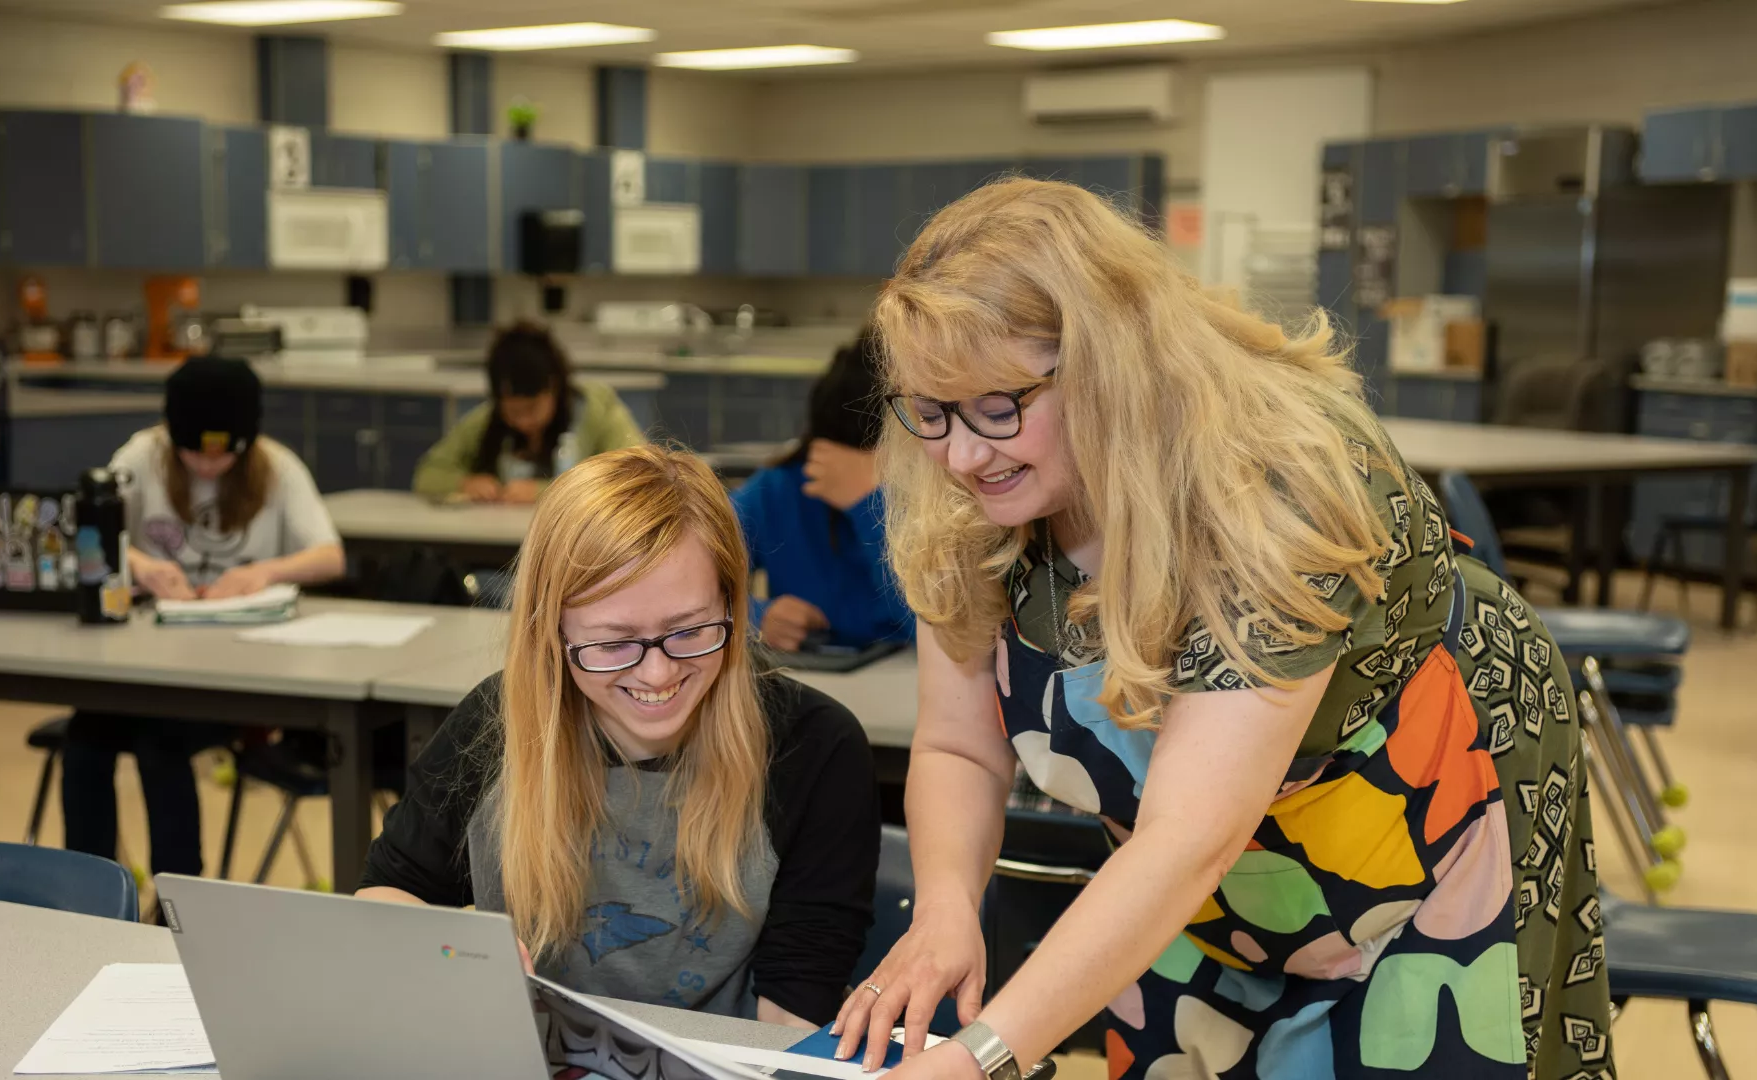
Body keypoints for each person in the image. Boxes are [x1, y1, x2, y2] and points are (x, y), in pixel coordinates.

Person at [834, 178, 1610, 1079]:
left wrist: (983, 1057)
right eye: (930, 414)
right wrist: (943, 911)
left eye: (1000, 407)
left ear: (1109, 365)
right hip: (1194, 881)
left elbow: (1187, 837)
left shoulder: (1277, 488)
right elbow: (961, 748)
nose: (964, 454)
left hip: (1426, 820)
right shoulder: (964, 489)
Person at [359, 444, 881, 1027]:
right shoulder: (495, 727)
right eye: (612, 643)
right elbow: (384, 898)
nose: (657, 674)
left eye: (690, 631)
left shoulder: (813, 749)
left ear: (733, 606)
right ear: (550, 632)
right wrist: (450, 946)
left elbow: (790, 1021)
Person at [62, 357, 346, 879]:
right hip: (144, 667)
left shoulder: (277, 468)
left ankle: (176, 902)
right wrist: (143, 566)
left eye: (224, 456)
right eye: (194, 453)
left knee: (159, 742)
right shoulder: (142, 456)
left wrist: (264, 572)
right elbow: (88, 530)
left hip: (238, 674)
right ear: (171, 433)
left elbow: (330, 555)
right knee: (84, 741)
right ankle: (88, 891)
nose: (209, 468)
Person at [732, 329, 913, 651]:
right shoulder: (779, 489)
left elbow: (940, 631)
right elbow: (669, 578)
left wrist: (870, 502)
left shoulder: (949, 498)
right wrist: (752, 616)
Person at [413, 322, 645, 504]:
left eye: (532, 409)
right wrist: (465, 483)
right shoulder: (485, 421)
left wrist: (544, 491)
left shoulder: (596, 409)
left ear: (554, 387)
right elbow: (428, 474)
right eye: (513, 412)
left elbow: (637, 475)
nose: (524, 421)